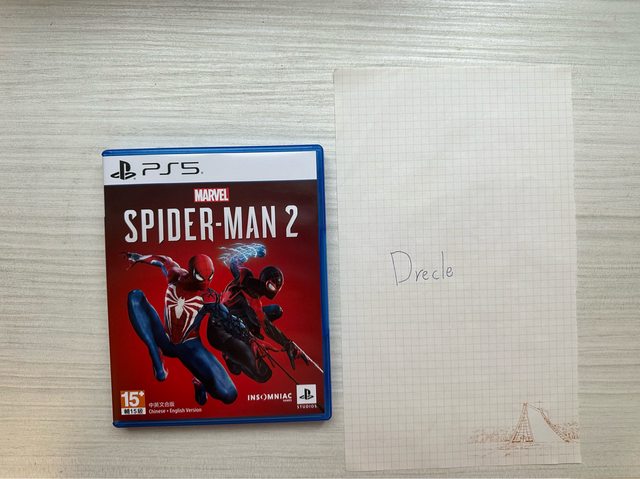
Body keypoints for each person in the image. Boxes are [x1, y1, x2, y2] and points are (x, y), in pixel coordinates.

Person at [124, 252, 237, 406]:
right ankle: (155, 352)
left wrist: (245, 335)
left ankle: (199, 383)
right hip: (165, 339)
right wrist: (137, 257)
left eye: (209, 277)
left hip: (190, 347)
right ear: (191, 272)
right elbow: (162, 260)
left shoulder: (208, 297)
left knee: (229, 394)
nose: (205, 283)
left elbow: (229, 319)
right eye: (201, 278)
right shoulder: (175, 275)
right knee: (135, 296)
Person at [208, 244, 308, 382]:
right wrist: (253, 251)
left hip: (240, 321)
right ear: (265, 281)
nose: (273, 289)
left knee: (275, 311)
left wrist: (287, 344)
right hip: (219, 326)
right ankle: (230, 354)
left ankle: (245, 342)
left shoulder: (253, 299)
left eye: (276, 287)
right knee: (260, 374)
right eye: (271, 285)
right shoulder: (245, 281)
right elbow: (233, 261)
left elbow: (268, 326)